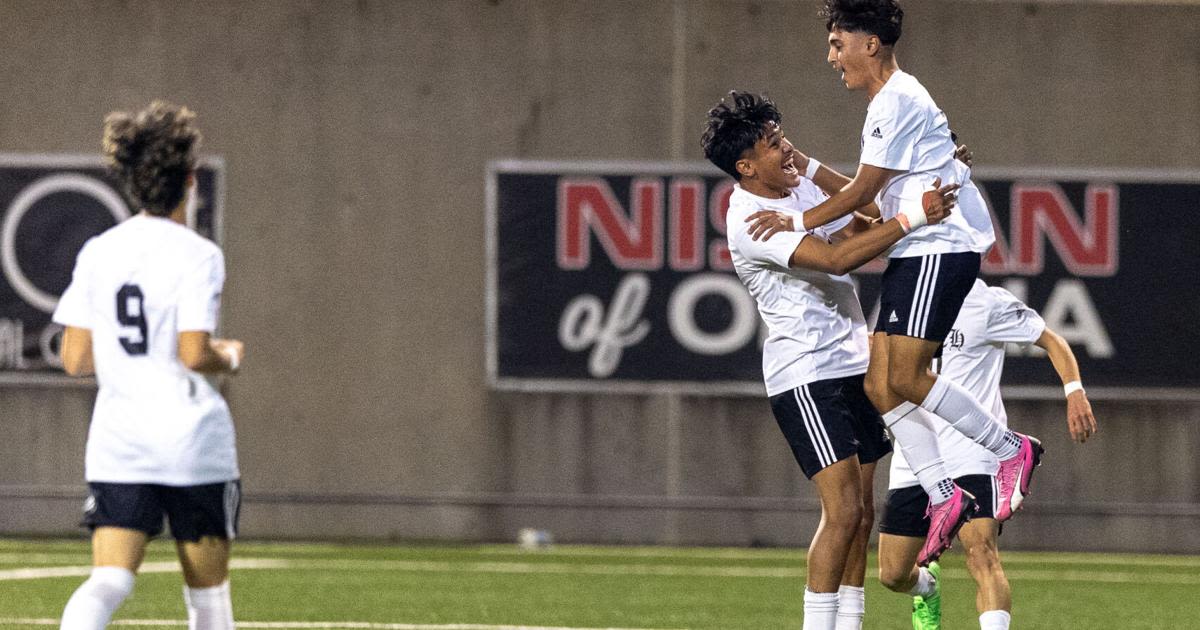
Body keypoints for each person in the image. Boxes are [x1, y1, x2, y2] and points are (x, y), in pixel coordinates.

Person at [783, 0, 1045, 566]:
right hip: (917, 249)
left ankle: (1011, 449)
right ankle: (945, 495)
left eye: (837, 43)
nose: (832, 57)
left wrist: (796, 222)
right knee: (881, 387)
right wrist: (804, 166)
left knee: (903, 376)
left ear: (869, 43)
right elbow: (875, 198)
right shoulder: (894, 101)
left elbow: (858, 197)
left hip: (937, 248)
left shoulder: (895, 98)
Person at [702, 90, 958, 630]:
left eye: (781, 136)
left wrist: (819, 169)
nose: (784, 149)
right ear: (745, 166)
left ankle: (851, 624)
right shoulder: (751, 217)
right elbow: (841, 257)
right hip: (806, 376)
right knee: (840, 512)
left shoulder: (794, 193)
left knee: (861, 515)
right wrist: (915, 216)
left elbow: (866, 218)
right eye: (773, 145)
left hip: (851, 364)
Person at [53, 101, 244, 630]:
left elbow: (74, 358)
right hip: (191, 444)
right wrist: (228, 355)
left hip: (121, 444)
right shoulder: (198, 255)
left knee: (109, 581)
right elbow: (194, 353)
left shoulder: (99, 250)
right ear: (189, 180)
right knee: (208, 597)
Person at [875, 279, 1098, 630]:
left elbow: (1052, 340)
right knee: (892, 574)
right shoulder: (904, 299)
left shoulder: (986, 302)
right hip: (915, 454)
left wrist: (1074, 391)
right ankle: (927, 588)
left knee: (981, 552)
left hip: (973, 451)